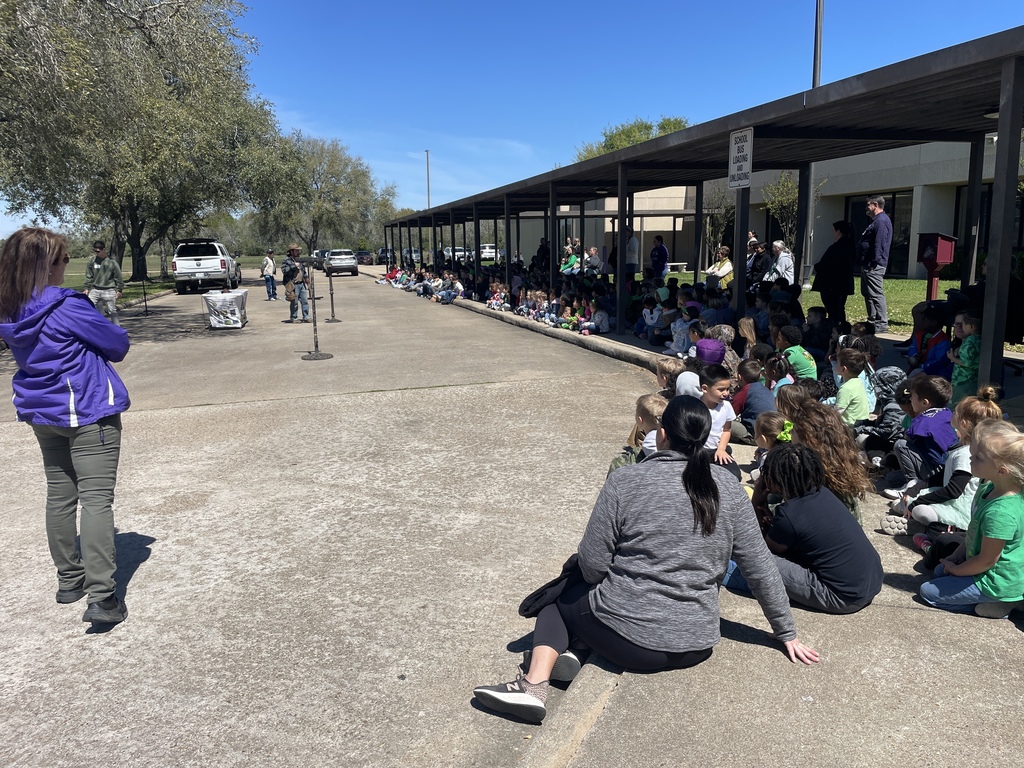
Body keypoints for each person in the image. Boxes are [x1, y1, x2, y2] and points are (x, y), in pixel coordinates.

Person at [472, 397, 819, 723]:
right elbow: (760, 567)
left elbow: (593, 564)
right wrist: (786, 633)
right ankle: (574, 652)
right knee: (589, 602)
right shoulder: (728, 489)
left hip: (634, 645)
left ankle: (533, 687)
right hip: (697, 643)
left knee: (560, 593)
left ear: (663, 434)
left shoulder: (627, 480)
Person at [0, 228, 131, 624]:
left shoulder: (10, 307)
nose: (65, 266)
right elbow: (117, 344)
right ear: (44, 265)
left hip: (44, 414)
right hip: (88, 411)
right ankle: (103, 596)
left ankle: (69, 579)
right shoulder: (65, 305)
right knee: (95, 499)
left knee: (59, 496)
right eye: (60, 259)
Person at [724, 445, 883, 614]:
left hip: (841, 596)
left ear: (778, 479)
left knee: (752, 559)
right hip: (871, 582)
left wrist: (756, 502)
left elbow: (762, 549)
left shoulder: (790, 514)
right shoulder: (822, 493)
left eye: (766, 472)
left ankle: (737, 578)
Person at [919, 418, 1024, 617]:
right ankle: (1004, 600)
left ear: (1002, 471)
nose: (970, 459)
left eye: (978, 458)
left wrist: (957, 570)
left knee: (927, 591)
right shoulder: (988, 487)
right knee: (940, 570)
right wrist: (957, 555)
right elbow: (974, 532)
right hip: (987, 569)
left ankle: (1001, 606)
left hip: (996, 582)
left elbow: (986, 561)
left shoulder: (1001, 512)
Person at [885, 386, 1000, 538]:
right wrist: (917, 489)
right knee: (911, 493)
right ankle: (911, 513)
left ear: (963, 423)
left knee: (920, 510)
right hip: (950, 499)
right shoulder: (962, 446)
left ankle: (925, 526)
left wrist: (917, 502)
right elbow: (939, 476)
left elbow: (953, 491)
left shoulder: (967, 454)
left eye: (956, 411)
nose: (951, 413)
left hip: (960, 507)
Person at [883, 376, 957, 501]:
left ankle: (913, 486)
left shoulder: (923, 419)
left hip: (936, 469)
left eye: (913, 397)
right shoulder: (946, 412)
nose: (911, 399)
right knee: (892, 478)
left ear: (925, 403)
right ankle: (919, 482)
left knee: (900, 444)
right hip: (949, 470)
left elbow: (907, 439)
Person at [858, 195, 892, 333]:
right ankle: (872, 320)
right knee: (867, 293)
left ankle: (881, 323)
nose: (866, 208)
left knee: (876, 293)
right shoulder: (875, 221)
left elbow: (880, 243)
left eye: (868, 205)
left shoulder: (882, 221)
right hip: (867, 264)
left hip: (874, 265)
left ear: (875, 205)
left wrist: (875, 260)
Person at [811, 221, 855, 324]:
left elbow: (825, 264)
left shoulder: (836, 248)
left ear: (838, 231)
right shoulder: (850, 246)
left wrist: (817, 266)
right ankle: (841, 327)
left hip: (832, 284)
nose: (833, 233)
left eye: (833, 231)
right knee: (839, 308)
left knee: (833, 309)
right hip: (843, 284)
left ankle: (834, 328)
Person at [82, 240, 124, 326]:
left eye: (98, 251)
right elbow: (88, 275)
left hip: (109, 290)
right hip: (95, 290)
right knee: (89, 308)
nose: (96, 253)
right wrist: (86, 287)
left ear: (103, 249)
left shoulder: (112, 262)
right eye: (95, 251)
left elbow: (118, 277)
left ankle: (117, 331)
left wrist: (119, 290)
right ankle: (96, 331)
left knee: (112, 311)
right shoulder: (92, 261)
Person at [948, 311, 981, 407]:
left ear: (971, 327)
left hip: (963, 381)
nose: (959, 327)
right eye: (956, 324)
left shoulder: (969, 342)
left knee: (957, 405)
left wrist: (952, 358)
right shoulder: (979, 340)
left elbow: (967, 363)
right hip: (971, 380)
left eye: (962, 324)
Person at [833, 348, 870, 427]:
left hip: (849, 427)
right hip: (861, 424)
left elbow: (836, 414)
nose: (836, 365)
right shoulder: (858, 381)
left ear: (844, 369)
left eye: (837, 363)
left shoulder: (846, 389)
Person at [281, 244, 310, 323]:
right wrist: (294, 266)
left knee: (305, 301)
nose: (298, 252)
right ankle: (294, 317)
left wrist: (306, 278)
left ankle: (306, 316)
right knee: (294, 302)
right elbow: (284, 270)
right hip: (293, 284)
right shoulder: (287, 260)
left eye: (298, 250)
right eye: (296, 250)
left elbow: (303, 270)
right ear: (291, 251)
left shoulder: (299, 260)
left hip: (301, 283)